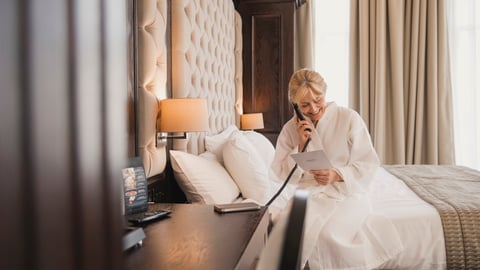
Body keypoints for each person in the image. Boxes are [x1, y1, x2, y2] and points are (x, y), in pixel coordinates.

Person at [271, 68, 403, 269]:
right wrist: (299, 145)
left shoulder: (349, 118)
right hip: (309, 194)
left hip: (347, 192)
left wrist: (337, 174)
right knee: (293, 231)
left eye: (318, 99)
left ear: (325, 93)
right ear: (295, 105)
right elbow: (280, 173)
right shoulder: (291, 129)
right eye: (304, 105)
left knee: (329, 235)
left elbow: (369, 163)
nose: (314, 108)